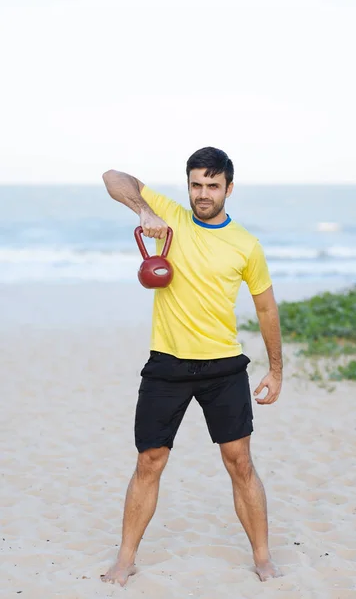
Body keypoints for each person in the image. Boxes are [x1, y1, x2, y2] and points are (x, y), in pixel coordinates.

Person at [100, 147, 283, 586]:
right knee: (150, 459)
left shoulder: (246, 245)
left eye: (212, 185)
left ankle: (262, 557)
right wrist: (144, 210)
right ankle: (125, 560)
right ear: (188, 186)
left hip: (224, 367)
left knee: (239, 461)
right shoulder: (171, 217)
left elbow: (266, 310)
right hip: (167, 364)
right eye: (196, 185)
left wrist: (276, 370)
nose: (203, 194)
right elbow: (112, 176)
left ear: (229, 189)